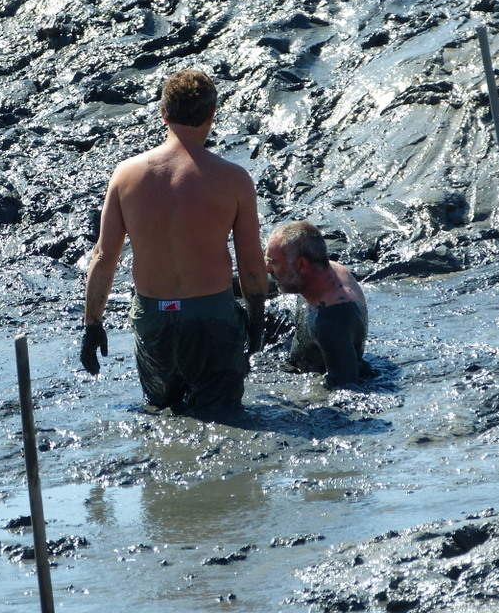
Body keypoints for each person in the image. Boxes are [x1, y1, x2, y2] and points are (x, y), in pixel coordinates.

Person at [80, 68, 267, 413]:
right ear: (211, 116)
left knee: (162, 412)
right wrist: (256, 322)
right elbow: (252, 268)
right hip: (212, 316)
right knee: (221, 416)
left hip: (154, 317)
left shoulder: (126, 174)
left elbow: (104, 257)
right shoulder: (234, 179)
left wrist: (92, 325)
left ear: (163, 114)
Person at [265, 220, 369, 387]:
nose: (267, 268)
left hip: (308, 372)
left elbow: (347, 389)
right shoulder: (328, 271)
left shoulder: (331, 323)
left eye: (273, 262)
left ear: (301, 264)